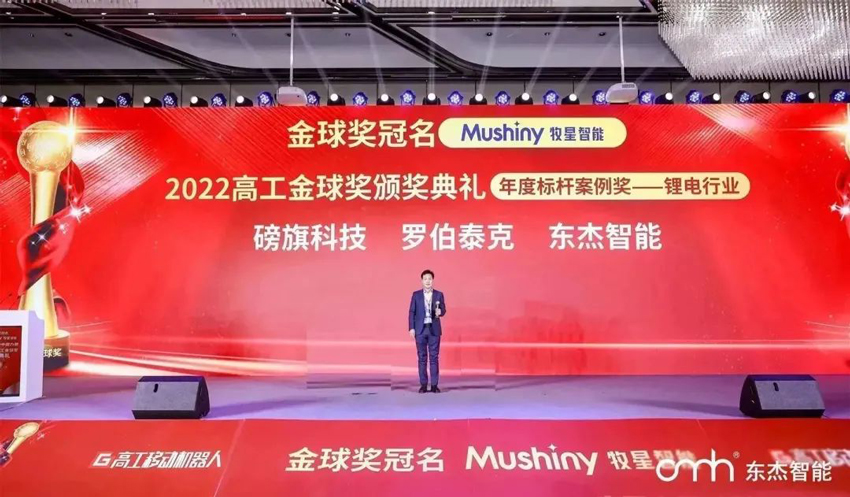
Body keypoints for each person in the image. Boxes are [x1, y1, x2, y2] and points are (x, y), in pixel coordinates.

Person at [408, 269, 446, 393]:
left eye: (430, 279)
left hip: (434, 330)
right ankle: (423, 385)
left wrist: (440, 312)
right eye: (425, 279)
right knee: (422, 358)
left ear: (432, 280)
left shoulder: (439, 294)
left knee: (434, 358)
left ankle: (434, 385)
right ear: (422, 281)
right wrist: (411, 328)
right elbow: (412, 312)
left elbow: (443, 310)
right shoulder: (416, 295)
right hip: (420, 330)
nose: (428, 281)